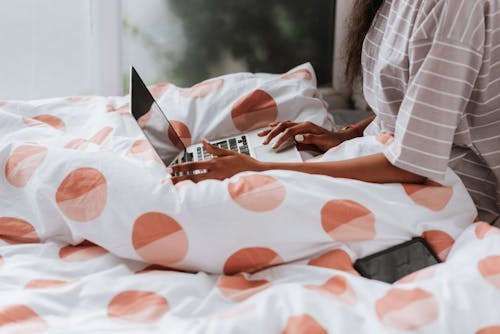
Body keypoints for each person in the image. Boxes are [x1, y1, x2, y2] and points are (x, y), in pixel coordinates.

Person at [171, 0, 500, 226]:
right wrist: (348, 134)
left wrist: (264, 170)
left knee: (234, 206)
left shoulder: (454, 7)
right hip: (392, 157)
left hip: (451, 190)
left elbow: (414, 164)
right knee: (216, 196)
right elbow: (419, 106)